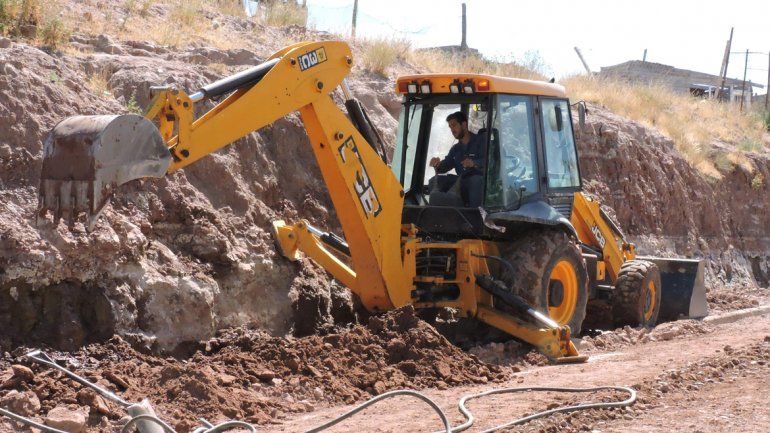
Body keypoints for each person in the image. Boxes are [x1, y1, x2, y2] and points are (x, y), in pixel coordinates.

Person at [429, 111, 485, 207]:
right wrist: (437, 164)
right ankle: (438, 214)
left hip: (481, 184)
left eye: (454, 125)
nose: (452, 130)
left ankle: (475, 215)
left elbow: (491, 161)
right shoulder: (456, 149)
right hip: (462, 182)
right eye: (450, 127)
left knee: (476, 181)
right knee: (434, 181)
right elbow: (446, 164)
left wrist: (474, 163)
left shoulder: (482, 141)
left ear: (463, 125)